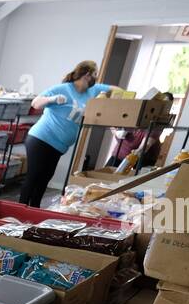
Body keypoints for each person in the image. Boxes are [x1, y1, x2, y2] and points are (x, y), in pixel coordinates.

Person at [18, 60, 117, 206]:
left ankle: (34, 209)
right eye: (95, 74)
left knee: (45, 178)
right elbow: (36, 103)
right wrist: (52, 99)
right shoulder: (63, 88)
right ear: (87, 75)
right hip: (41, 139)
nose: (96, 78)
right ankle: (20, 208)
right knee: (34, 176)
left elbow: (114, 89)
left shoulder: (93, 90)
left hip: (58, 146)